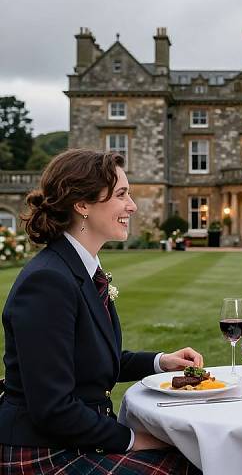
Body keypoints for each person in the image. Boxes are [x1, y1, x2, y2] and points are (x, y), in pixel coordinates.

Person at [0, 149, 203, 474]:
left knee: (194, 459)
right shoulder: (47, 281)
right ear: (82, 205)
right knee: (185, 465)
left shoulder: (79, 269)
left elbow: (90, 359)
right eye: (122, 194)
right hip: (42, 451)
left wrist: (160, 361)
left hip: (72, 440)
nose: (132, 206)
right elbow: (52, 409)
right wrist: (132, 438)